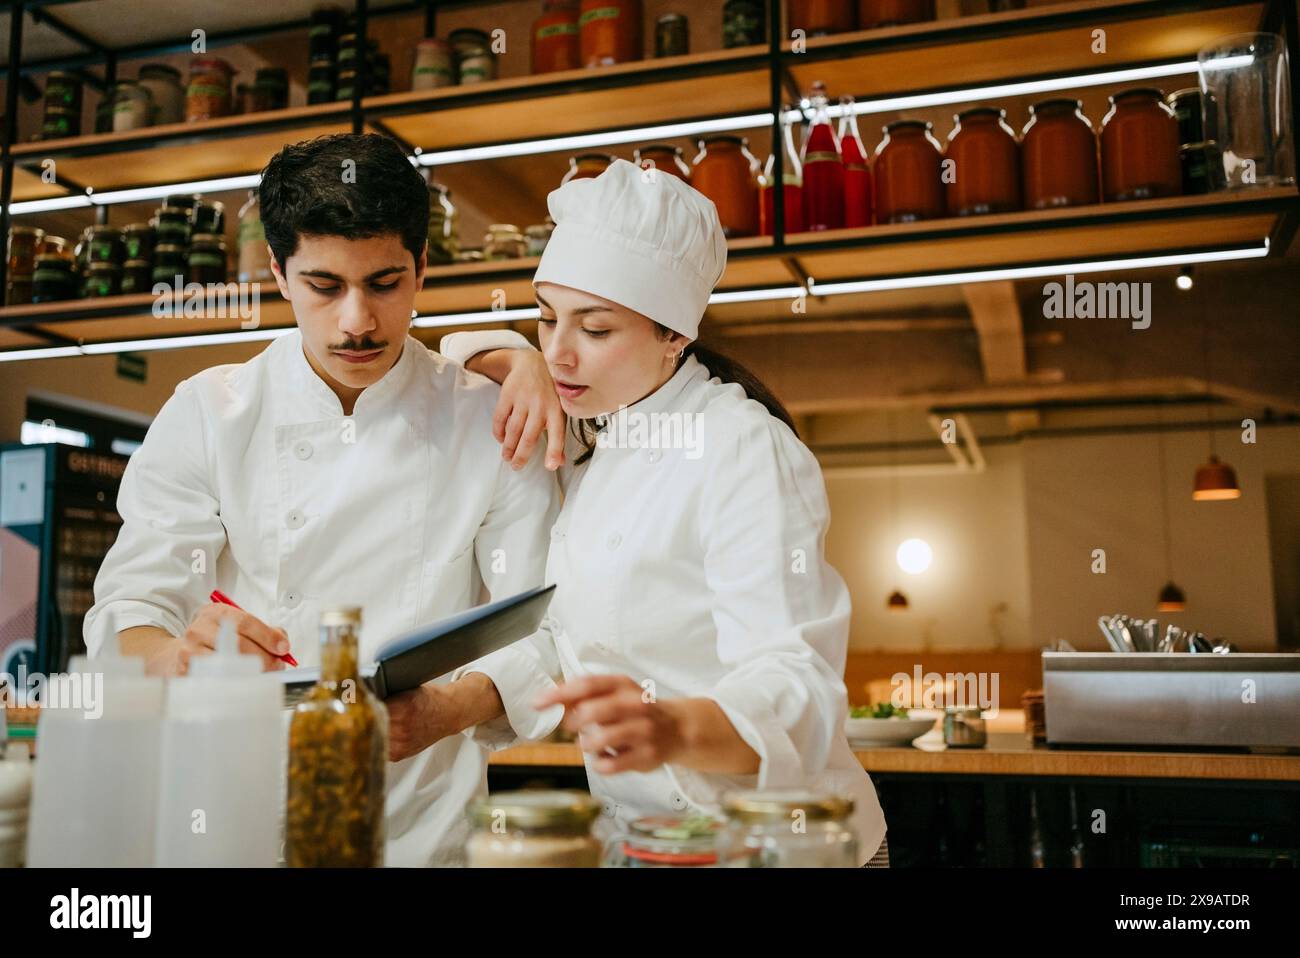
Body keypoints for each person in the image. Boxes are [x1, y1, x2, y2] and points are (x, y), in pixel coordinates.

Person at [84, 133, 560, 866]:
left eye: (385, 283)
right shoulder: (210, 412)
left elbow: (544, 625)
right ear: (277, 271)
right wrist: (180, 656)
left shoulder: (486, 419)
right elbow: (130, 609)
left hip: (416, 830)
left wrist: (447, 710)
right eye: (325, 286)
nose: (357, 322)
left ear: (424, 266)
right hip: (228, 812)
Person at [442, 159, 889, 866]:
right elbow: (450, 351)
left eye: (594, 329)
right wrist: (515, 357)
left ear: (674, 336)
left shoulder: (741, 447)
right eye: (546, 319)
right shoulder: (595, 430)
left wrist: (671, 727)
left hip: (780, 844)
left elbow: (795, 681)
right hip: (649, 845)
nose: (559, 352)